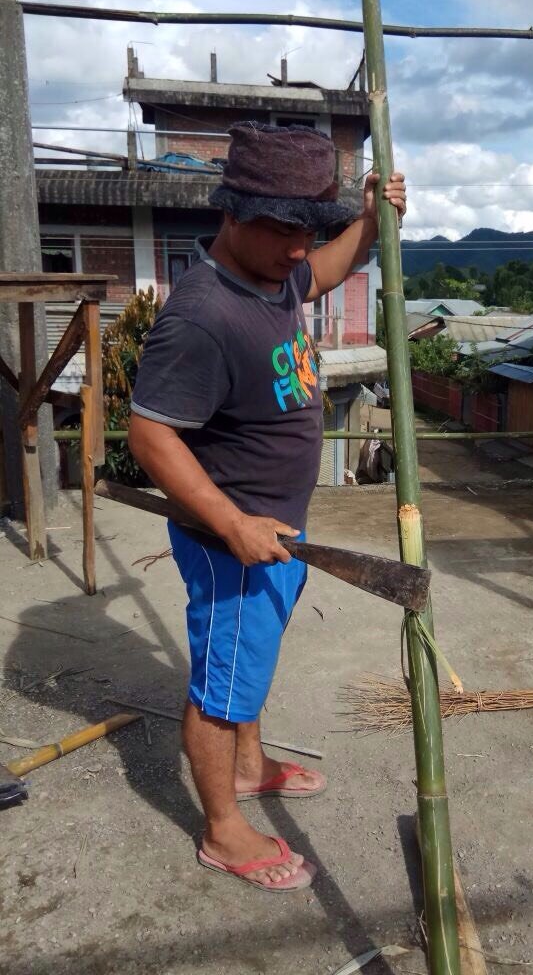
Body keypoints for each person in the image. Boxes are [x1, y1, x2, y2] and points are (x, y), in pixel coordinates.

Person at [128, 123, 406, 893]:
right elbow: (150, 435)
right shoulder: (203, 315)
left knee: (247, 665)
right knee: (221, 690)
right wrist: (231, 523)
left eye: (308, 229)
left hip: (276, 531)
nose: (298, 248)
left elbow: (325, 268)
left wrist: (370, 219)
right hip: (234, 544)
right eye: (285, 230)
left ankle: (249, 767)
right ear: (232, 212)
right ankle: (223, 830)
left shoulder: (274, 274)